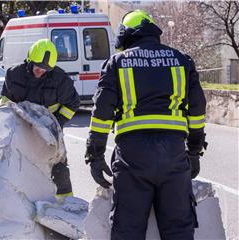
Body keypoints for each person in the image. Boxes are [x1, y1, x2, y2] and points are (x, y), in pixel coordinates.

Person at [85, 10, 207, 240]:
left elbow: (102, 114)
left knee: (128, 230)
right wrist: (193, 152)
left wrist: (95, 155)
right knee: (179, 230)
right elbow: (198, 110)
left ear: (126, 35)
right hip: (173, 154)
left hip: (132, 157)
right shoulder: (182, 60)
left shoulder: (117, 63)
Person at [0, 39, 80, 198]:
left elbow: (73, 103)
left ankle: (65, 204)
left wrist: (55, 122)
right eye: (38, 67)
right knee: (21, 166)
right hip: (21, 129)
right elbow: (5, 102)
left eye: (45, 69)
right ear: (30, 60)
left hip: (50, 131)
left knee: (58, 168)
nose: (41, 71)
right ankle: (24, 201)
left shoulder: (59, 78)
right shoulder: (14, 75)